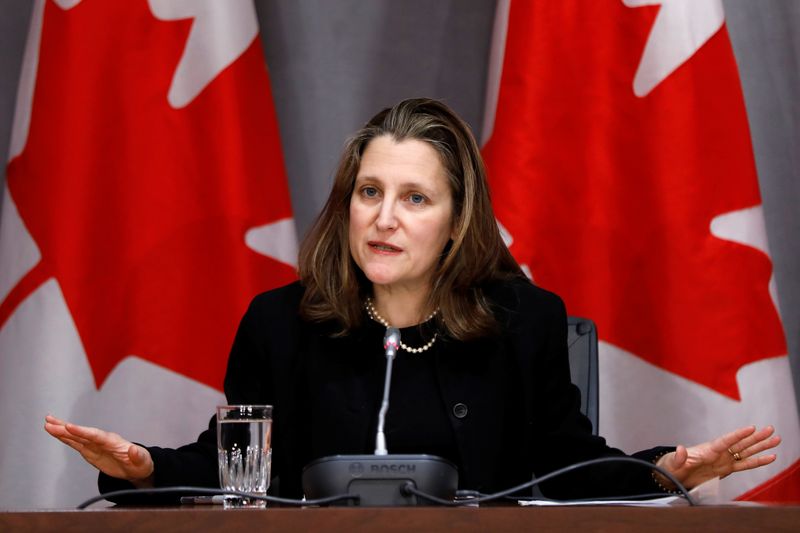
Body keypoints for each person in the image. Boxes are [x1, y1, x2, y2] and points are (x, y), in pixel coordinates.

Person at [45, 98, 780, 501]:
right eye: (369, 192)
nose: (384, 217)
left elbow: (567, 462)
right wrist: (141, 466)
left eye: (414, 197)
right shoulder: (280, 323)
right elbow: (238, 469)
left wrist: (667, 471)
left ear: (458, 220)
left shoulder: (523, 323)